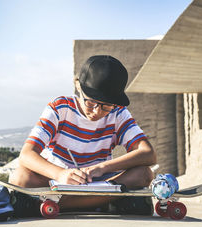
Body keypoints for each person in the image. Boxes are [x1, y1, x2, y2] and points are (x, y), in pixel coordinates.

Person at [10, 55, 157, 216]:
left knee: (144, 174)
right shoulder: (60, 108)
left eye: (106, 106)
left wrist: (102, 168)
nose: (97, 111)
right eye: (91, 102)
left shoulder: (118, 112)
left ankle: (56, 205)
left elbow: (148, 154)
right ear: (78, 86)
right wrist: (61, 174)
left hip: (99, 183)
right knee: (20, 177)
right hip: (56, 182)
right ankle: (99, 202)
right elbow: (26, 155)